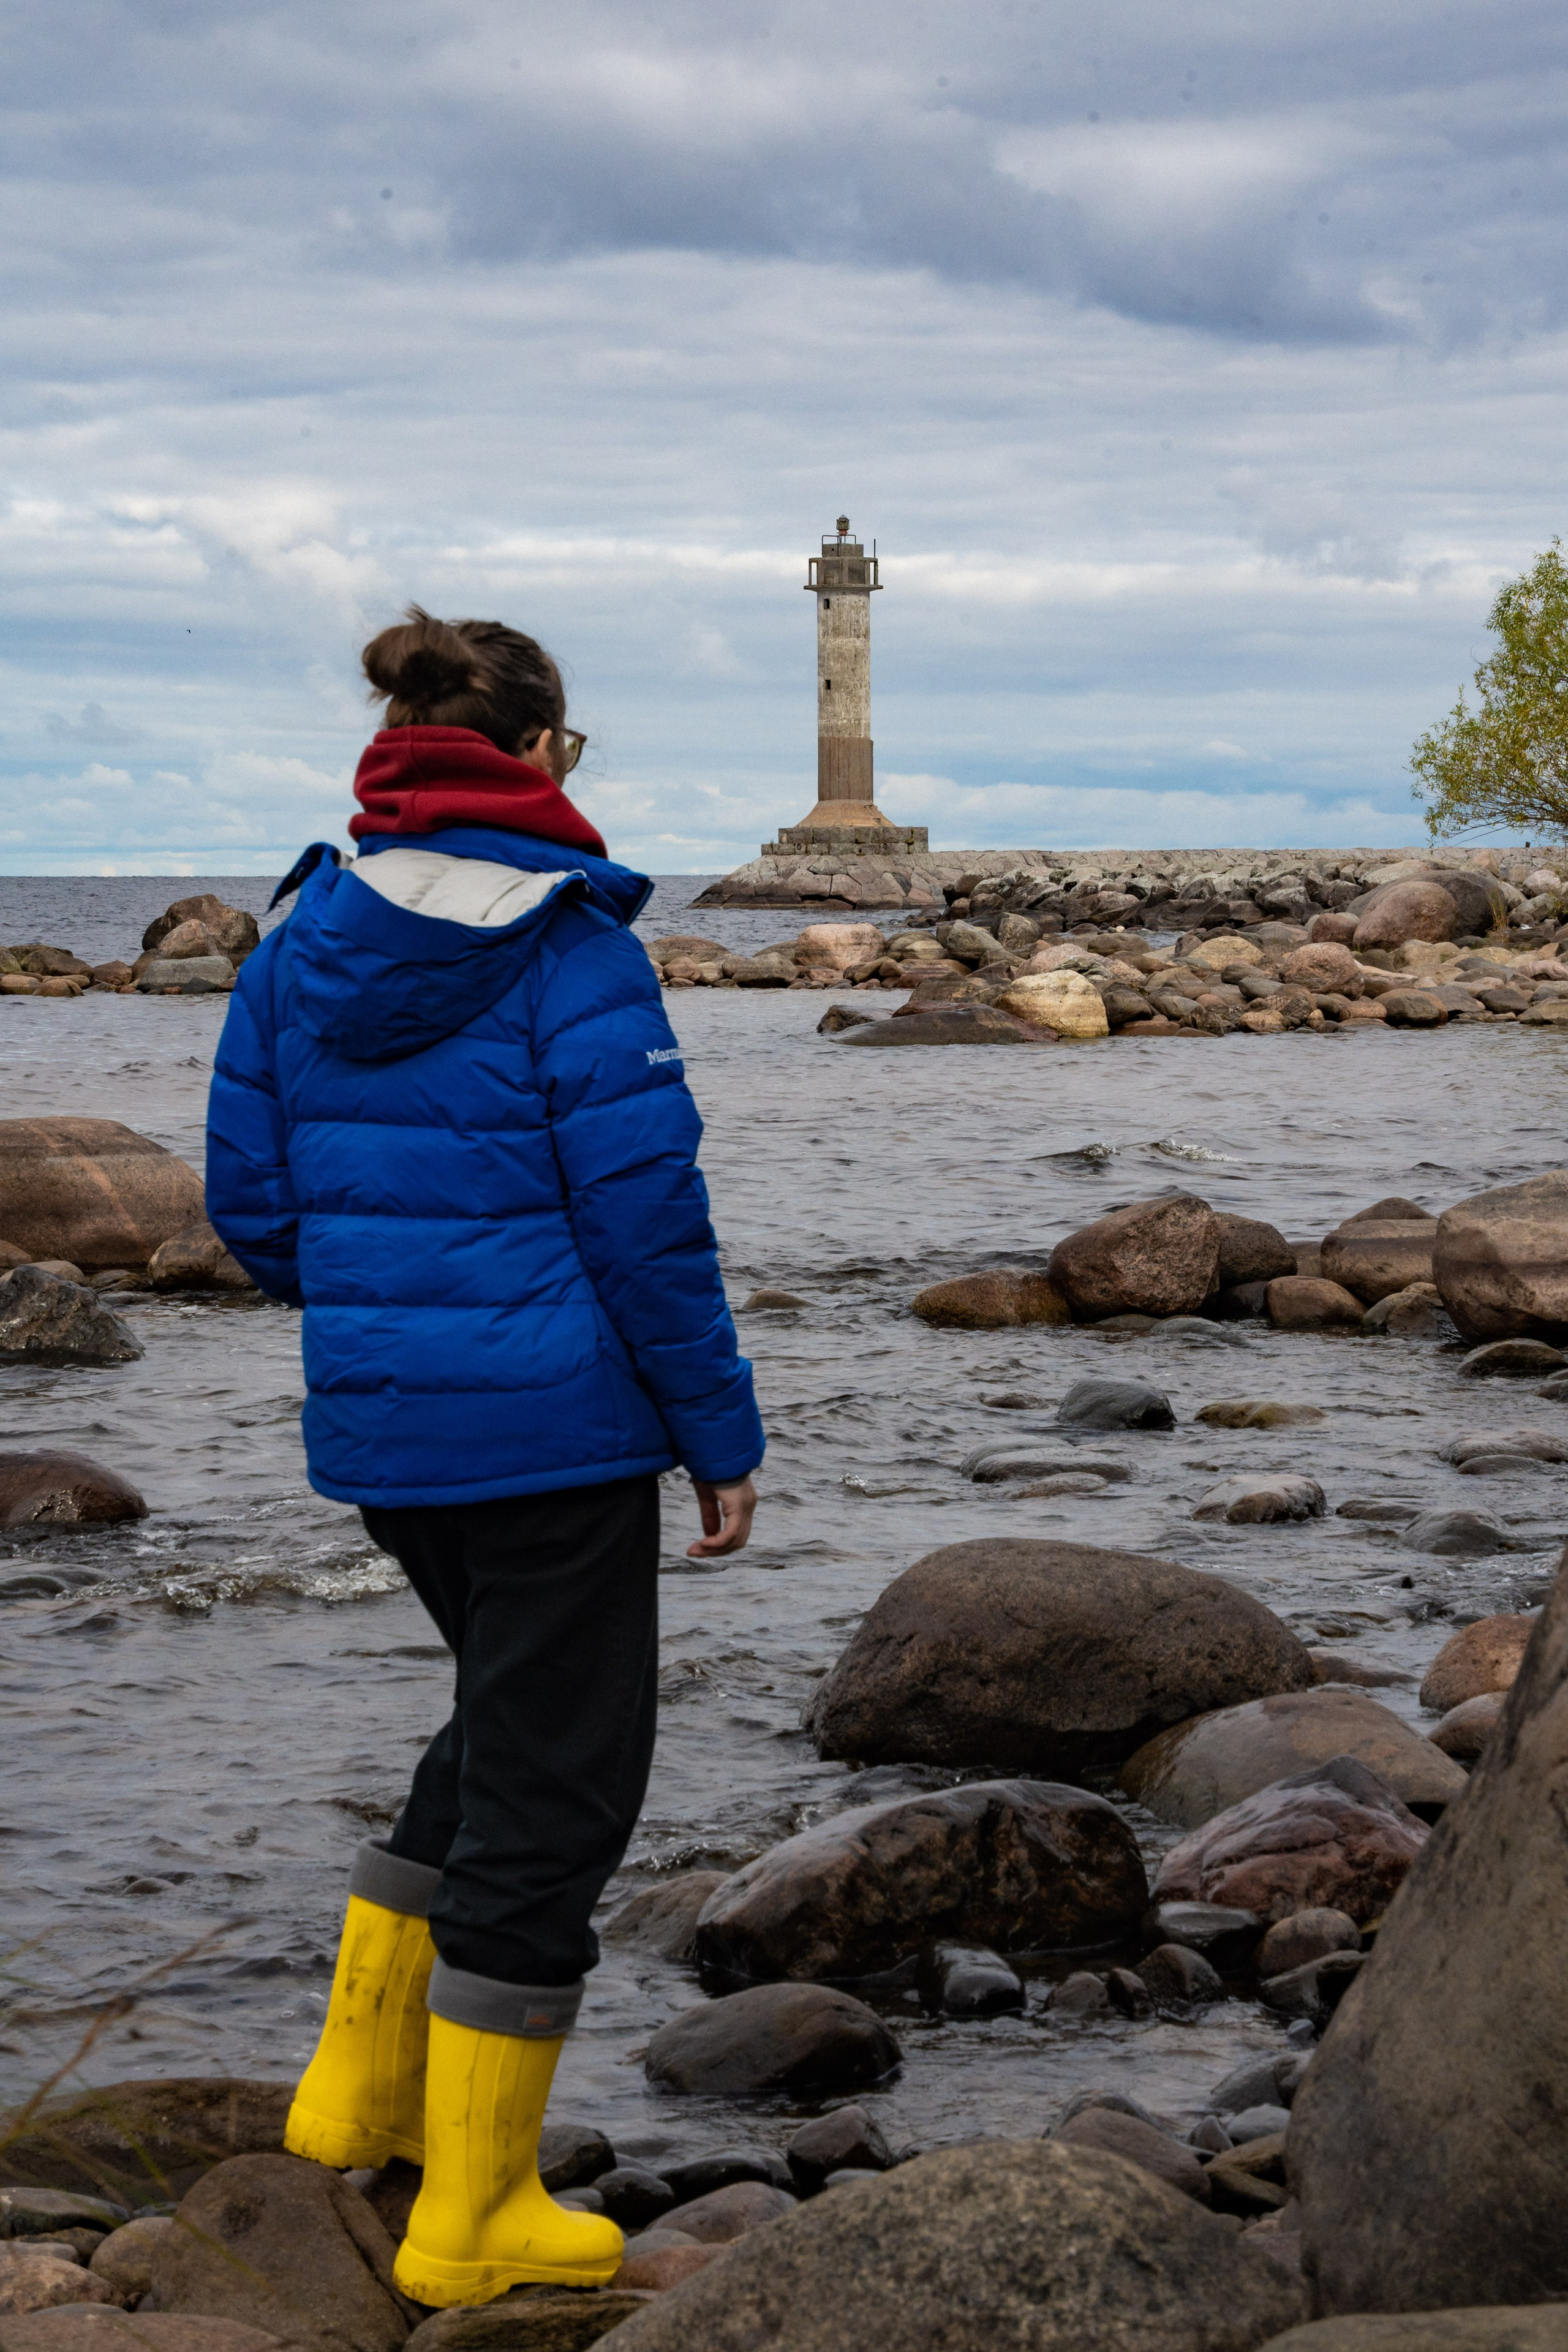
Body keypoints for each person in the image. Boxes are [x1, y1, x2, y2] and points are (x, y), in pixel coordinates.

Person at [205, 608, 763, 2310]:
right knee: (565, 1785)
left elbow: (252, 1208)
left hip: (392, 1431)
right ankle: (473, 2210)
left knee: (502, 1724)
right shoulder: (573, 943)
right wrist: (715, 1431)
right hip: (562, 1430)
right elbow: (649, 1221)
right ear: (534, 755)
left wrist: (383, 1308)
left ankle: (352, 2097)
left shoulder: (300, 938)